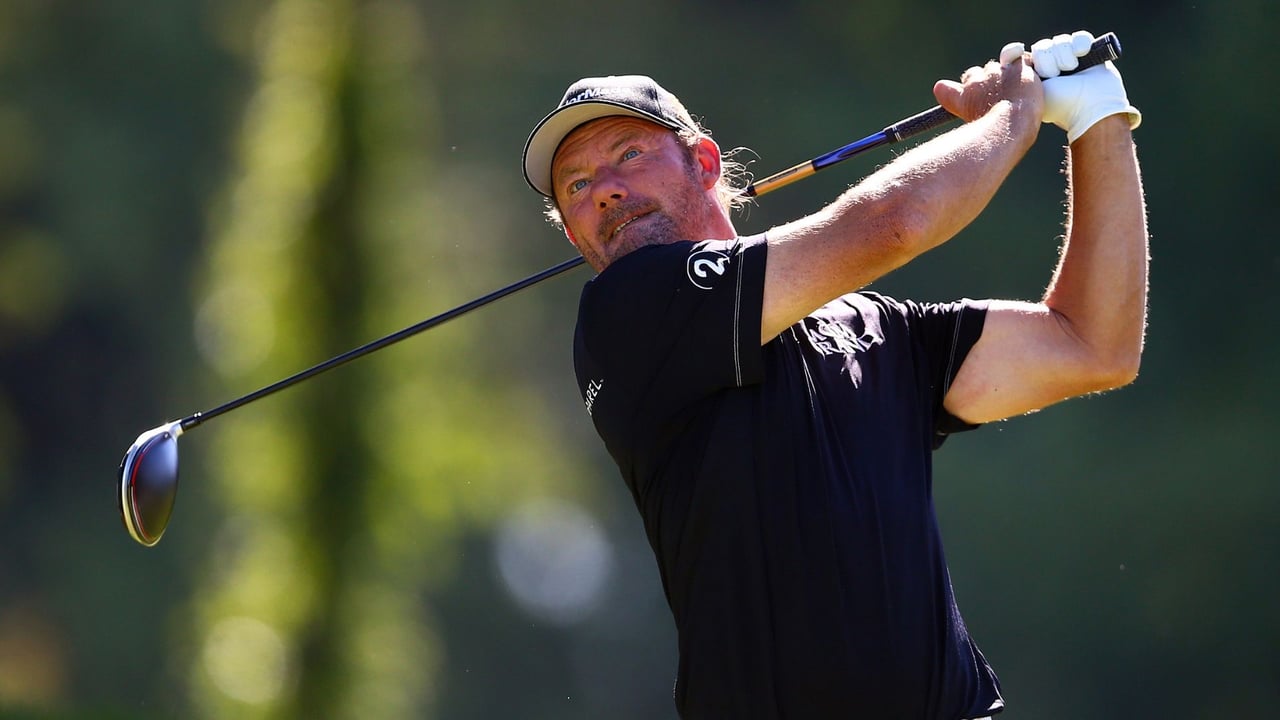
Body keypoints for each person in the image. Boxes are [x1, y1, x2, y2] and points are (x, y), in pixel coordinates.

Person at [520, 30, 1146, 720]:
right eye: (577, 186)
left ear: (703, 162)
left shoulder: (873, 325)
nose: (605, 191)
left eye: (628, 155)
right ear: (576, 237)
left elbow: (1093, 345)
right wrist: (1014, 115)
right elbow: (893, 224)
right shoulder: (626, 315)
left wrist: (1097, 119)